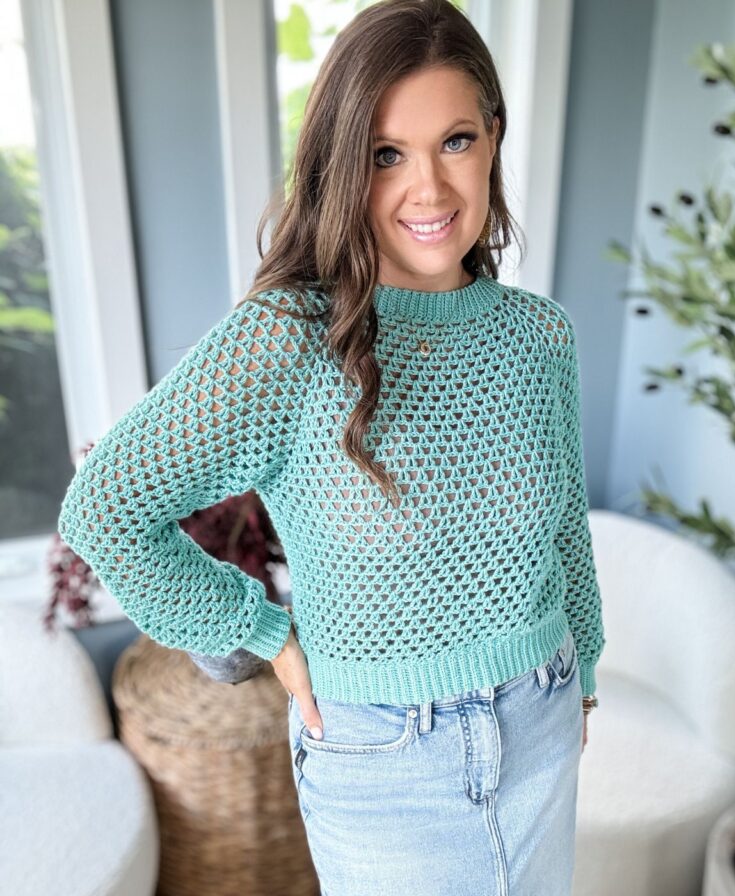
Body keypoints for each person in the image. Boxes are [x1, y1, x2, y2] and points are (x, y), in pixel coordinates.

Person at [57, 0, 605, 892]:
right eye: (387, 155)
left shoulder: (537, 339)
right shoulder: (288, 340)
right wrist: (258, 632)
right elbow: (106, 508)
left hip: (542, 720)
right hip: (385, 762)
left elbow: (565, 531)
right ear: (344, 162)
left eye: (455, 141)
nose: (428, 188)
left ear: (495, 136)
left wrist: (584, 666)